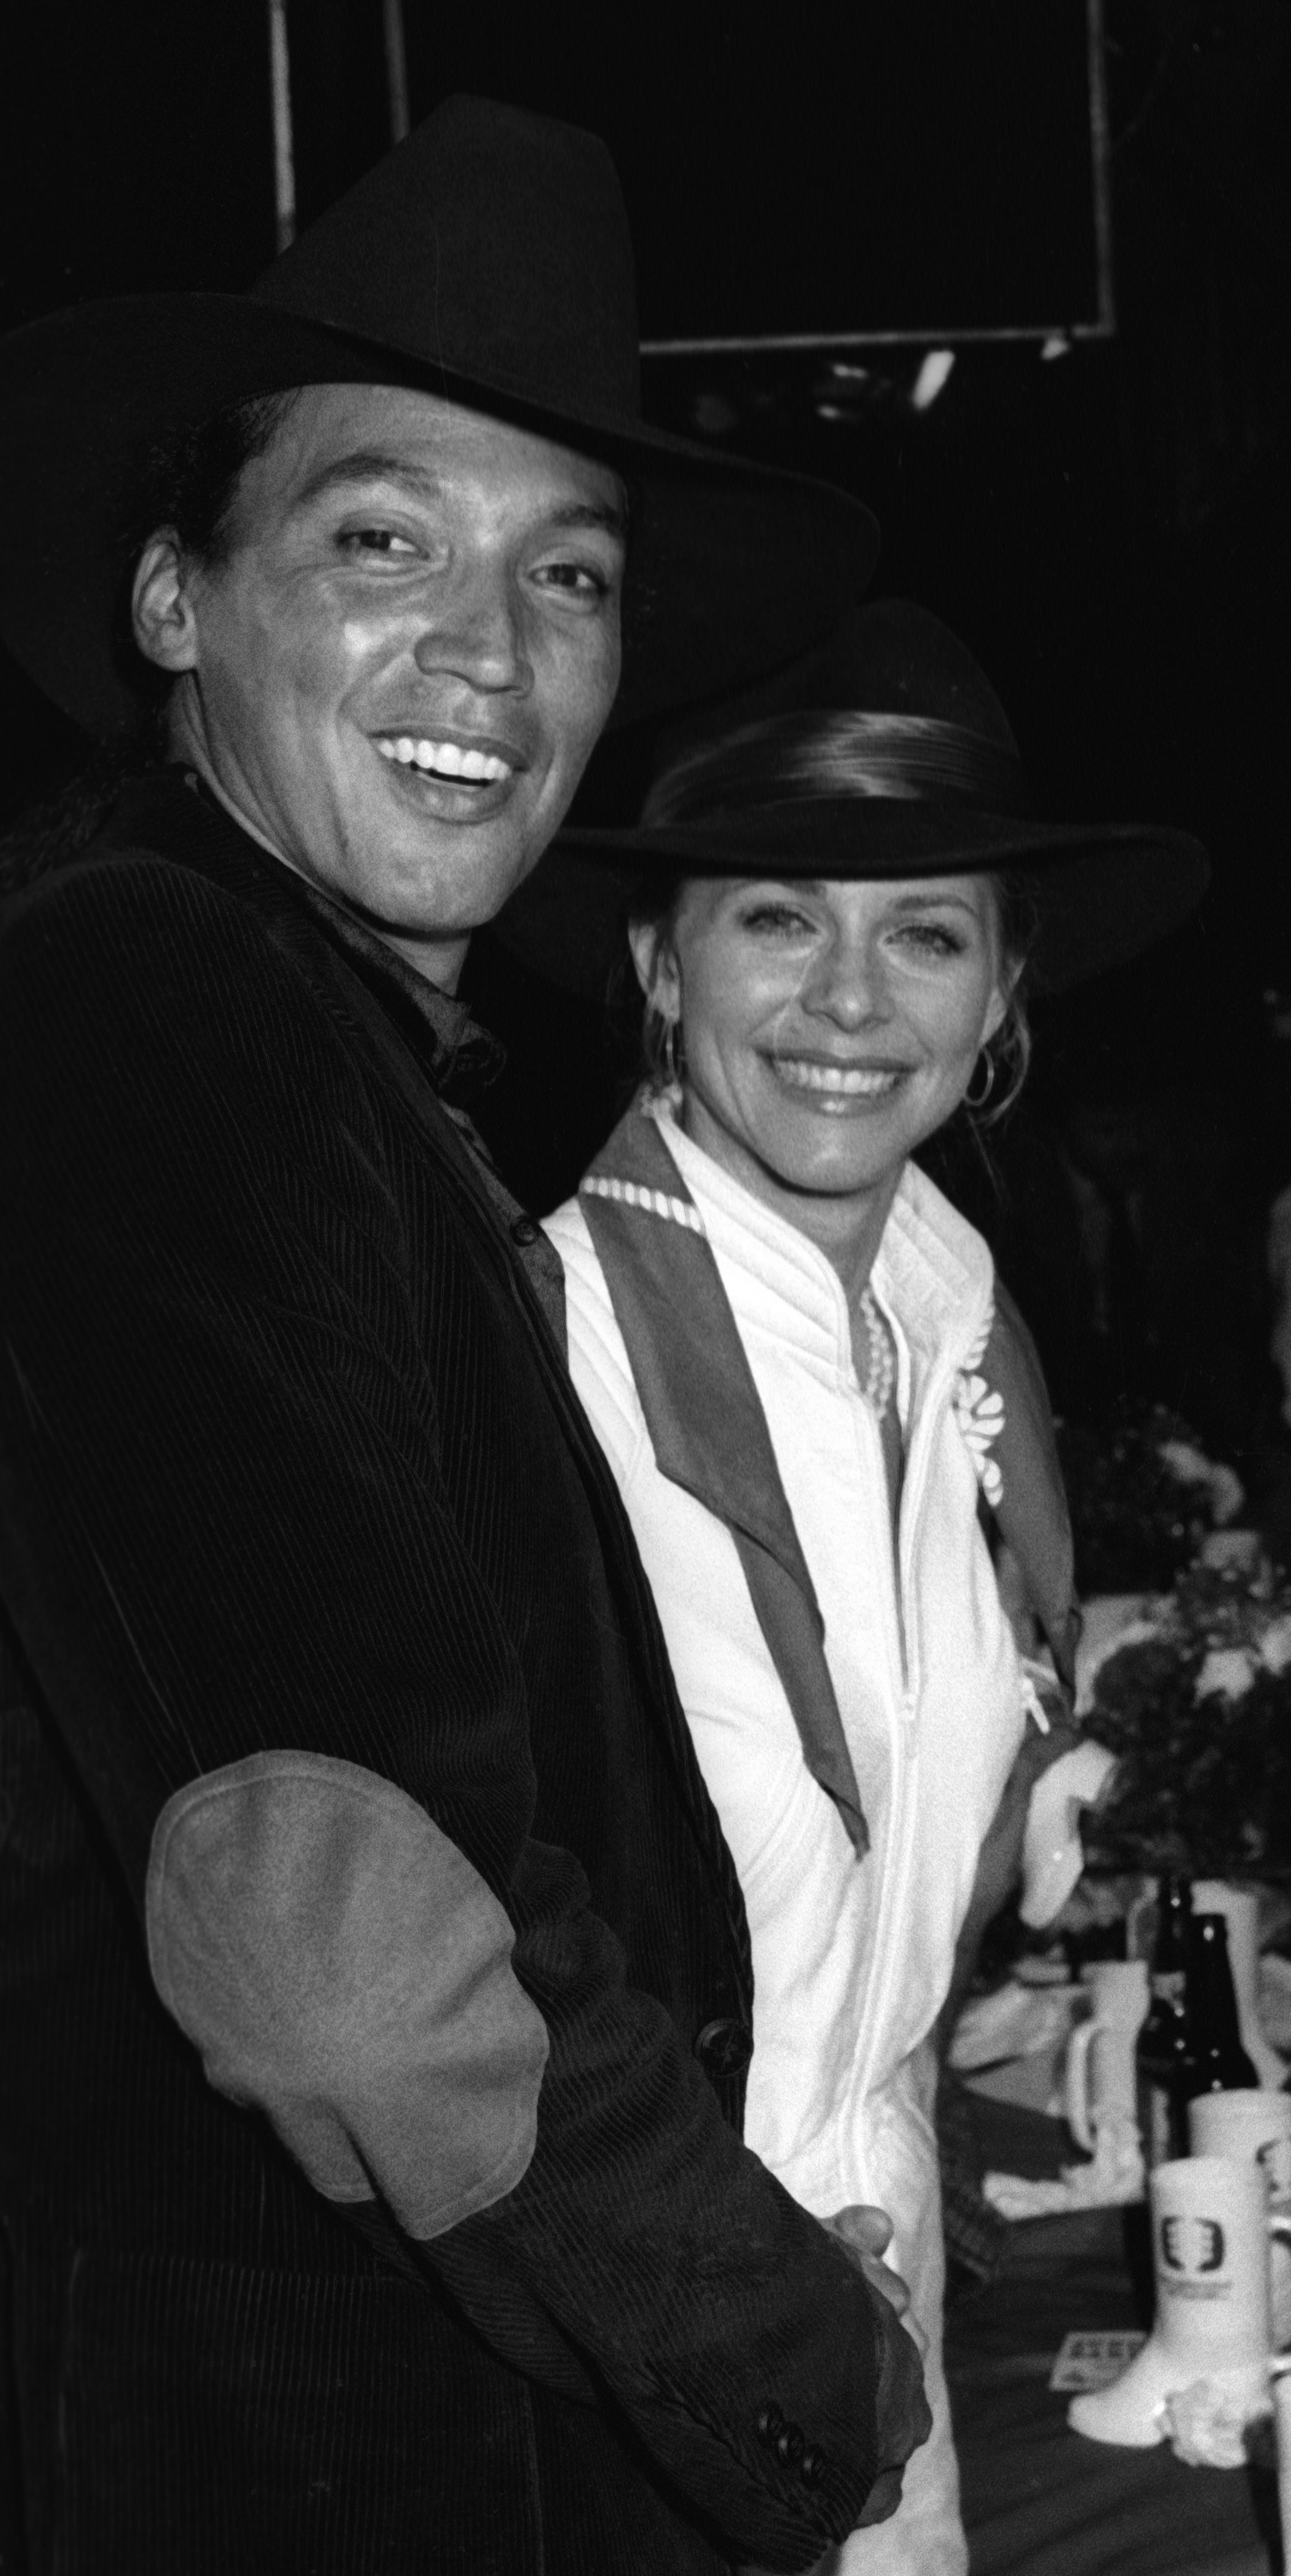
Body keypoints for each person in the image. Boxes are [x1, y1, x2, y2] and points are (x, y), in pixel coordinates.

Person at [0, 99, 930, 2576]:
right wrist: (778, 2355)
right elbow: (339, 1940)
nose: (492, 656)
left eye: (571, 574)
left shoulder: (316, 1039)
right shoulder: (147, 998)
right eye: (382, 539)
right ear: (177, 598)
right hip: (324, 2458)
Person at [536, 599, 1209, 2572]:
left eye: (920, 934)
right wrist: (703, 2270)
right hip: (622, 2319)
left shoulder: (952, 1320)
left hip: (877, 2267)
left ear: (995, 1003)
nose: (848, 999)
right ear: (661, 964)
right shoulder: (533, 1342)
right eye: (776, 920)